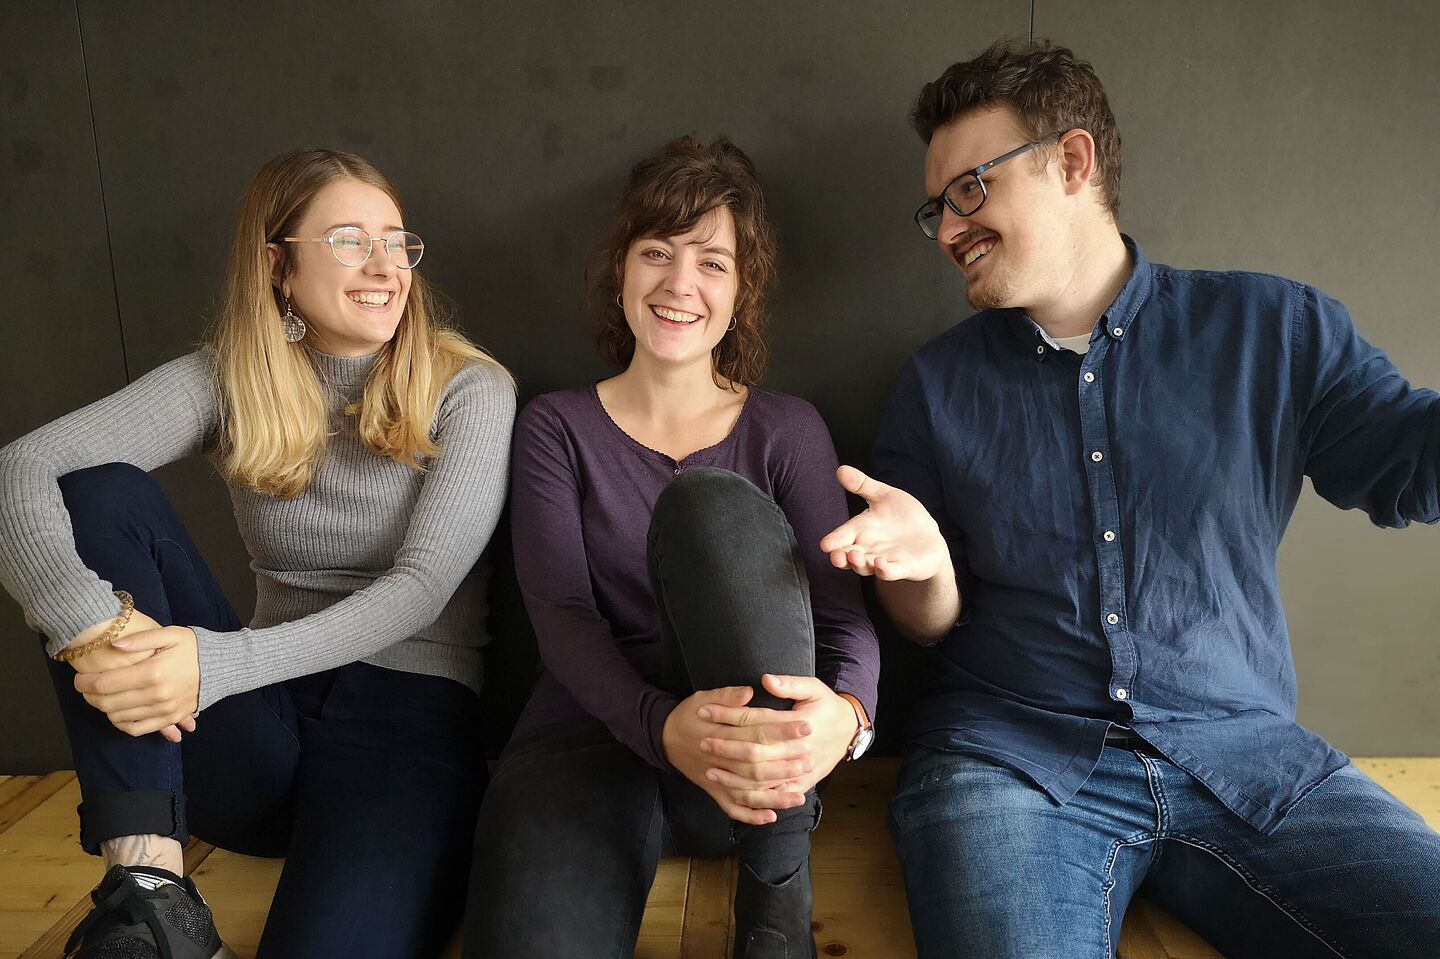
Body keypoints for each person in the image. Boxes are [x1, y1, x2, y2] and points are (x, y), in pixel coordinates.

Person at [820, 39, 1440, 959]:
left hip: (1248, 760)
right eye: (936, 207)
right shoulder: (937, 383)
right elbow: (927, 624)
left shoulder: (1276, 329)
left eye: (969, 189)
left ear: (1072, 161)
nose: (948, 228)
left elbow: (1409, 468)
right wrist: (924, 569)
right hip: (1012, 767)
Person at [0, 148, 515, 959]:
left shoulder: (469, 387)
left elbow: (421, 589)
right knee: (98, 491)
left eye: (397, 240)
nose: (385, 264)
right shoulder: (231, 377)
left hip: (404, 728)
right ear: (278, 265)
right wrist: (90, 628)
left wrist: (209, 666)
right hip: (258, 729)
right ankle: (150, 889)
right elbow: (21, 466)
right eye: (349, 239)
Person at [464, 136, 880, 959]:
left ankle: (775, 905)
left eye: (711, 261)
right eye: (656, 251)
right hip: (588, 731)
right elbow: (563, 620)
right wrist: (659, 727)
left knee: (710, 515)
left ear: (741, 290)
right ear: (619, 269)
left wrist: (851, 717)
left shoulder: (785, 428)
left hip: (749, 765)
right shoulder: (557, 426)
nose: (679, 283)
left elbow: (842, 620)